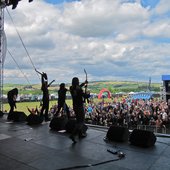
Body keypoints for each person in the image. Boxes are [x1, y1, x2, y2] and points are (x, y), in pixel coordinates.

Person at [69, 77, 89, 143]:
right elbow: (85, 96)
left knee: (78, 120)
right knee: (81, 121)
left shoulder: (71, 88)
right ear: (77, 82)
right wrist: (88, 94)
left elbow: (78, 87)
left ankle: (80, 134)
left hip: (75, 106)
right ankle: (73, 134)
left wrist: (84, 83)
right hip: (79, 106)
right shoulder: (79, 89)